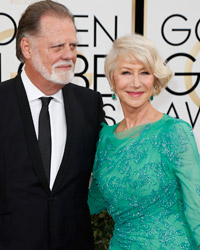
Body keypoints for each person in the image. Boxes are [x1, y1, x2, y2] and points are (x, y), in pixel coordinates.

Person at [0, 1, 105, 249]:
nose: (69, 55)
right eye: (58, 46)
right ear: (27, 47)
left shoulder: (89, 104)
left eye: (73, 46)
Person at [88, 33, 200, 249]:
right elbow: (94, 201)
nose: (136, 83)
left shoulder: (174, 132)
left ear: (154, 79)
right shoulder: (104, 139)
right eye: (126, 72)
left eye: (145, 73)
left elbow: (196, 204)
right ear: (112, 79)